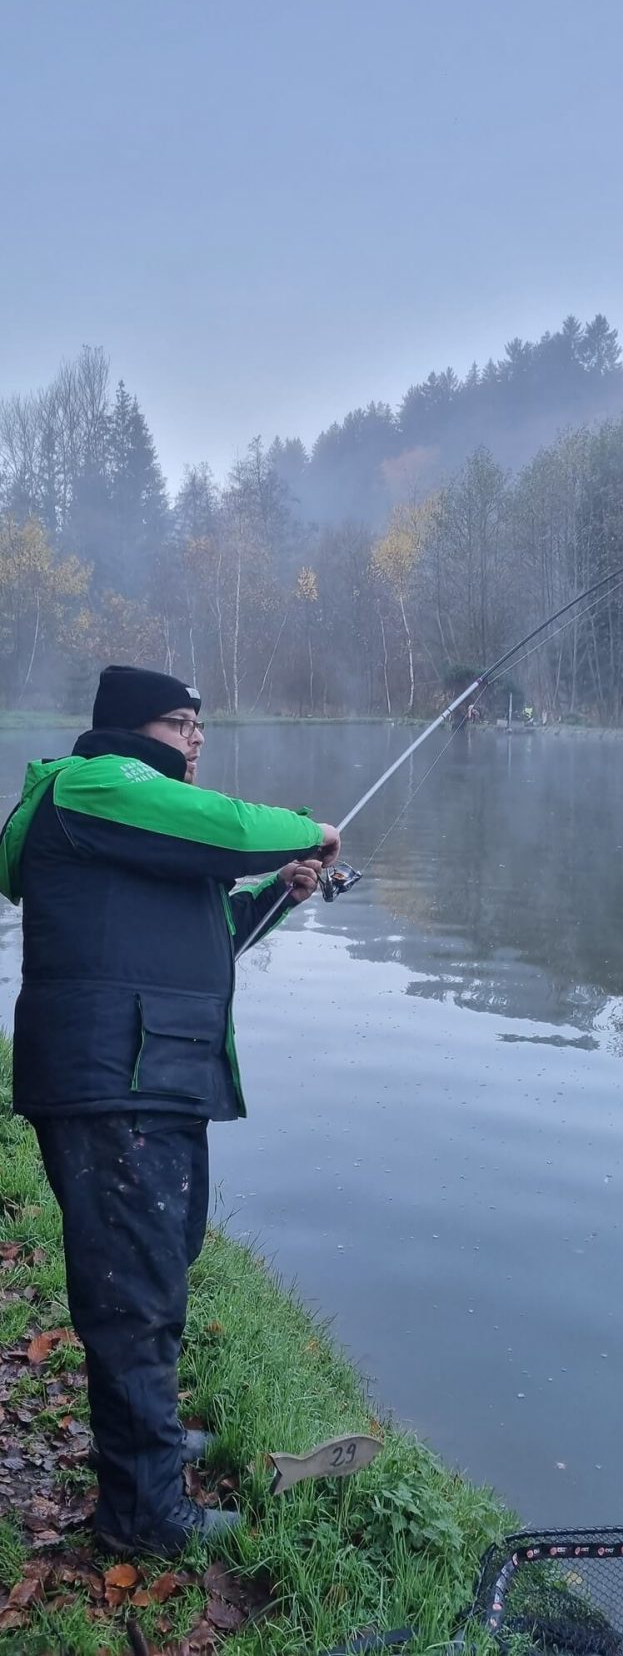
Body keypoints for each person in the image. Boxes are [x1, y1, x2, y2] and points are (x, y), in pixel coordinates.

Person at [0, 664, 341, 1557]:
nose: (196, 739)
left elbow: (207, 933)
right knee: (133, 1296)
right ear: (128, 728)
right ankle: (146, 1519)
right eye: (181, 722)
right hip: (115, 1082)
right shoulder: (97, 785)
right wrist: (310, 830)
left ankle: (144, 1450)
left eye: (200, 725)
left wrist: (275, 892)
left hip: (151, 1078)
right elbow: (228, 827)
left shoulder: (134, 824)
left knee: (155, 1268)